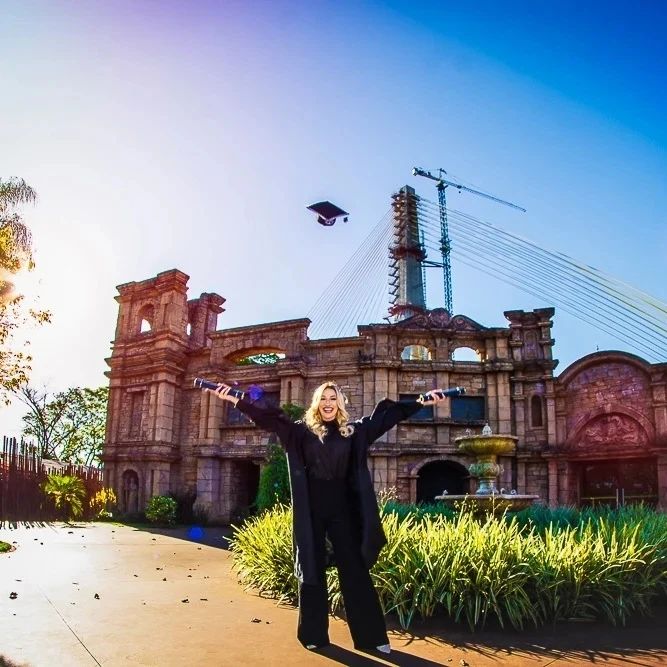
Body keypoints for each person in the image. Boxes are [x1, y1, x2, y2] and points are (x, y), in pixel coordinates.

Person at [210, 381, 448, 654]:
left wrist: (421, 401)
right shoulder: (300, 432)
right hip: (311, 511)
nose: (328, 403)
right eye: (323, 398)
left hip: (343, 511)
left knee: (355, 570)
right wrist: (237, 400)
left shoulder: (353, 432)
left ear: (340, 403)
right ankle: (313, 634)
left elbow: (386, 417)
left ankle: (371, 637)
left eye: (333, 398)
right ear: (316, 403)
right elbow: (270, 418)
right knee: (311, 569)